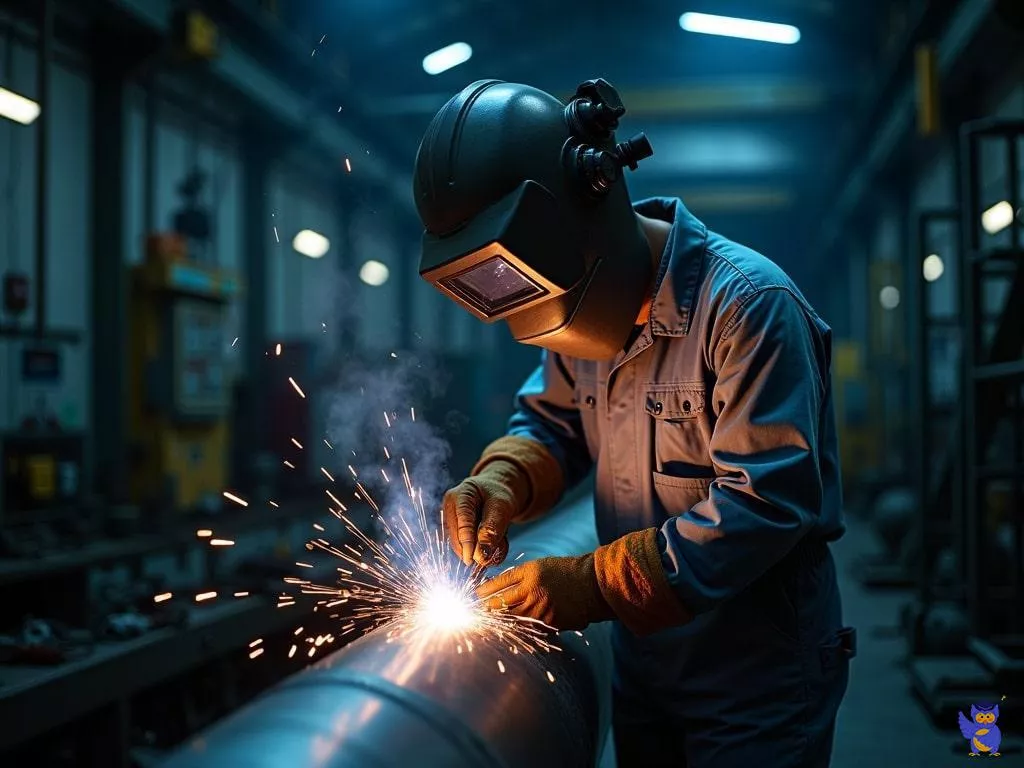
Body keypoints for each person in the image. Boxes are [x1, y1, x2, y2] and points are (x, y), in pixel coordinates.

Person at [413, 78, 856, 767]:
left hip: (756, 673)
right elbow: (552, 421)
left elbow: (765, 503)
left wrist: (590, 585)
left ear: (591, 202)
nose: (555, 331)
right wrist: (502, 479)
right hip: (645, 666)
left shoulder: (747, 306)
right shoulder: (581, 309)